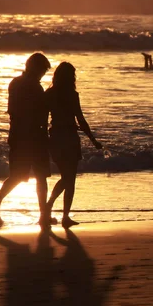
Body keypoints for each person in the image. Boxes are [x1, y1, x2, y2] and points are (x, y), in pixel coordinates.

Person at [0, 52, 52, 232]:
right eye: (42, 71)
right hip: (31, 136)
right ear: (35, 68)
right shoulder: (33, 87)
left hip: (19, 135)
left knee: (20, 175)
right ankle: (42, 215)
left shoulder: (15, 83)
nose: (42, 75)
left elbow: (12, 112)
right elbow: (36, 114)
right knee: (39, 176)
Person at [45, 62, 102, 228]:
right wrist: (93, 140)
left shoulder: (50, 93)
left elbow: (42, 117)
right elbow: (81, 120)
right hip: (69, 137)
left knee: (66, 177)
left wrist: (43, 137)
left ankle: (54, 209)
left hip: (55, 136)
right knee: (69, 179)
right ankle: (63, 215)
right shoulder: (72, 94)